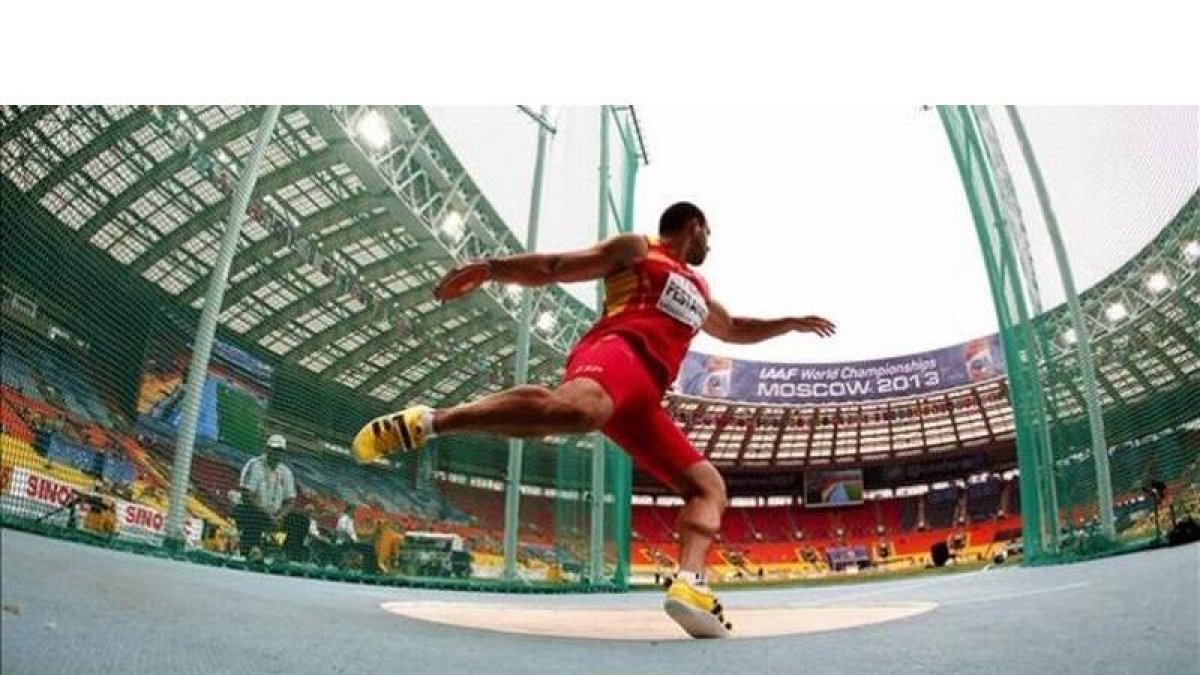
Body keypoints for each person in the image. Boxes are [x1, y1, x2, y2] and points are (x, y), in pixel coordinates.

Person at [351, 202, 835, 638]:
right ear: (696, 226)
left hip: (646, 398)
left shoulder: (701, 291)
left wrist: (787, 323)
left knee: (708, 485)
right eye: (709, 234)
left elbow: (732, 329)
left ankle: (690, 585)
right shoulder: (637, 249)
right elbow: (557, 267)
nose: (711, 243)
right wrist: (492, 268)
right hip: (617, 352)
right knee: (580, 411)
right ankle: (429, 422)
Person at [235, 434, 296, 558]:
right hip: (253, 510)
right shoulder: (254, 465)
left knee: (300, 521)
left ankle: (288, 554)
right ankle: (251, 550)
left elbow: (290, 501)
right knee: (253, 514)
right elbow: (247, 495)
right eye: (274, 449)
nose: (276, 453)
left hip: (275, 515)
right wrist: (267, 515)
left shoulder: (286, 472)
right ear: (267, 449)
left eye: (279, 451)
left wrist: (280, 516)